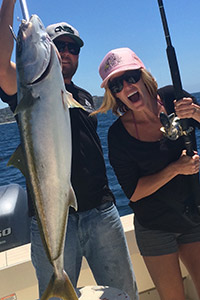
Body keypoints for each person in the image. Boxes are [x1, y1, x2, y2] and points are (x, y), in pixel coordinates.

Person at [0, 1, 138, 300]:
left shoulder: (85, 97)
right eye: (57, 44)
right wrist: (8, 4)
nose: (65, 52)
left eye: (72, 48)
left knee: (125, 294)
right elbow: (1, 66)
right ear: (47, 49)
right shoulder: (29, 92)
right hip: (51, 220)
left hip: (101, 213)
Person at [95, 47, 200, 300]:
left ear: (143, 77)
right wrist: (175, 169)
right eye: (116, 84)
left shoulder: (175, 97)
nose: (126, 86)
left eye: (131, 76)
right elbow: (134, 192)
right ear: (113, 95)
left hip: (194, 215)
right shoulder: (118, 135)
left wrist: (195, 112)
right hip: (155, 227)